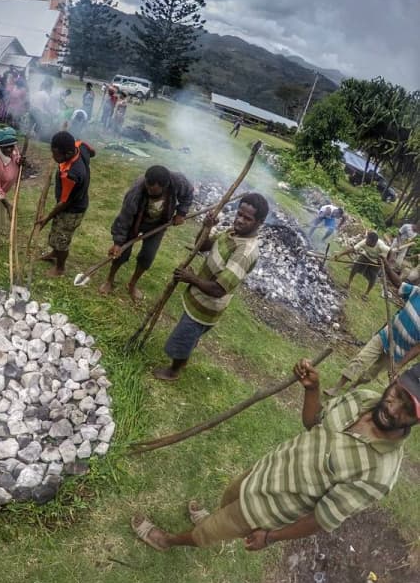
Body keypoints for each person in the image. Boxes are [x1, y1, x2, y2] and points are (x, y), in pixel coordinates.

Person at [132, 357, 419, 553]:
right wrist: (313, 389)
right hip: (263, 471)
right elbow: (314, 423)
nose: (393, 409)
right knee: (229, 496)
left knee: (207, 533)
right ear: (395, 381)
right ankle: (211, 518)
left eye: (407, 410)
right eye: (398, 395)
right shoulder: (363, 398)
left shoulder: (379, 473)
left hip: (266, 509)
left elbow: (322, 518)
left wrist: (270, 537)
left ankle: (168, 541)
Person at [153, 193, 269, 381]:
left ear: (259, 222)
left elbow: (219, 290)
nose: (240, 220)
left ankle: (173, 371)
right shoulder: (232, 233)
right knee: (189, 336)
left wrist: (191, 278)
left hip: (207, 306)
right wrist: (206, 227)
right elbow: (202, 246)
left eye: (247, 218)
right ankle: (183, 358)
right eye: (239, 214)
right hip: (200, 296)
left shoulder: (245, 252)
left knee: (183, 336)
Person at [99, 166, 194, 302]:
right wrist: (118, 243)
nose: (149, 192)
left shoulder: (178, 181)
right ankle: (109, 280)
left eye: (153, 191)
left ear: (165, 186)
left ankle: (132, 284)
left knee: (147, 256)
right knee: (121, 253)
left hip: (158, 224)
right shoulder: (136, 191)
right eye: (148, 188)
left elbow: (188, 194)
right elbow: (125, 217)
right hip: (135, 222)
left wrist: (181, 213)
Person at [328, 259, 420, 396]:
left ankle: (355, 385)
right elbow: (399, 284)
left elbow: (418, 348)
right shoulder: (417, 292)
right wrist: (386, 266)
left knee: (370, 374)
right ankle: (337, 387)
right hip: (386, 335)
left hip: (398, 351)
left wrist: (400, 364)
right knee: (360, 359)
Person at [36, 131, 95, 277]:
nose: (53, 157)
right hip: (69, 202)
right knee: (57, 231)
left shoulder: (71, 174)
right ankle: (54, 253)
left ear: (68, 153)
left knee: (62, 238)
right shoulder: (79, 145)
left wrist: (46, 218)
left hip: (72, 210)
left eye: (56, 155)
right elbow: (92, 151)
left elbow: (64, 202)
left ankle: (60, 268)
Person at [335, 231, 391, 300]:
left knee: (373, 277)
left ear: (374, 242)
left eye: (368, 241)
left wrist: (386, 262)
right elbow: (352, 249)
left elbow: (390, 251)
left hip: (376, 261)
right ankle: (348, 283)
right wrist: (340, 254)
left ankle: (366, 294)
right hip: (366, 255)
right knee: (355, 266)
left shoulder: (381, 246)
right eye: (367, 239)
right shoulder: (364, 242)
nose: (366, 241)